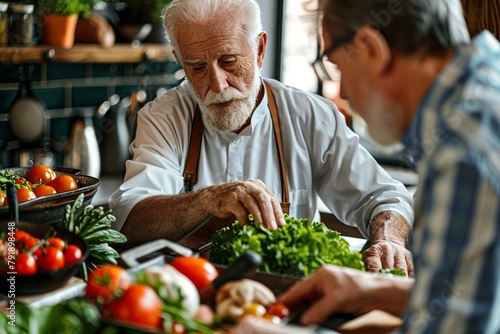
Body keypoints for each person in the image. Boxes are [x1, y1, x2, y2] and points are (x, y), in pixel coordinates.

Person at [108, 0, 415, 274]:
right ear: (179, 60)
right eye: (197, 68)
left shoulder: (310, 115)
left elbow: (386, 197)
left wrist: (388, 239)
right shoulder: (163, 116)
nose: (217, 84)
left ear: (259, 50)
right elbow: (129, 219)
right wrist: (205, 200)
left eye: (228, 61)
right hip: (193, 292)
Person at [278, 0, 500, 333]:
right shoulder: (486, 78)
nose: (343, 93)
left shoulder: (462, 150)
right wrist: (368, 289)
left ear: (371, 49)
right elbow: (473, 293)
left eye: (337, 68)